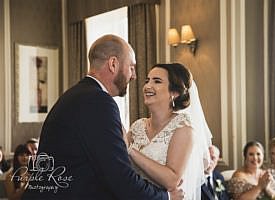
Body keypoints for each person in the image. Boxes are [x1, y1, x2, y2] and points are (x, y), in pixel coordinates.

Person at [22, 34, 183, 200]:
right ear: (113, 64)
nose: (134, 76)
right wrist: (166, 197)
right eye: (131, 67)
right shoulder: (98, 102)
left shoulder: (78, 94)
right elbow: (119, 177)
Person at [127, 63, 212, 200]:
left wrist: (131, 150)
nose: (148, 86)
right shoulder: (137, 126)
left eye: (157, 81)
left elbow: (172, 180)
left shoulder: (183, 128)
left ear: (174, 93)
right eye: (147, 80)